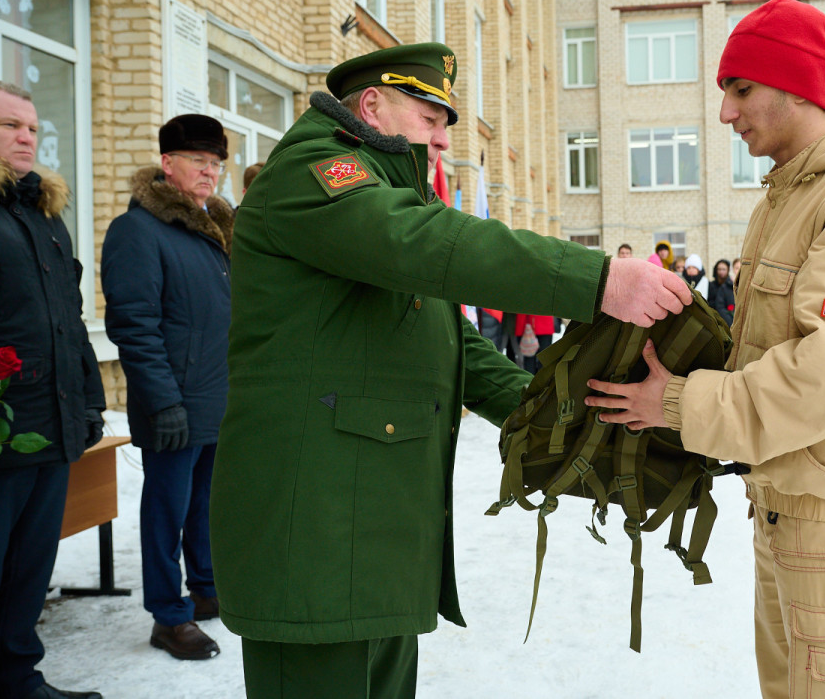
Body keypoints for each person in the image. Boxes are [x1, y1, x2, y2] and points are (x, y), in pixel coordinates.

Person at [208, 42, 692, 698]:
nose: (441, 141)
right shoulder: (317, 171)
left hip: (366, 535)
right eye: (430, 118)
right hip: (316, 534)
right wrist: (598, 278)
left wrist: (556, 411)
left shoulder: (382, 194)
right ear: (373, 105)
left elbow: (447, 341)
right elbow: (431, 244)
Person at [584, 0, 825, 698]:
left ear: (795, 85)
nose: (725, 114)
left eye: (740, 89)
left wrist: (682, 400)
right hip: (789, 500)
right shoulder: (786, 198)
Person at [0, 80, 106, 699]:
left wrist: (90, 398)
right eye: (10, 124)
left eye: (32, 129)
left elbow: (69, 319)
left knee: (28, 570)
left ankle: (19, 678)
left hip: (50, 423)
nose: (25, 137)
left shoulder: (43, 213)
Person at [100, 114, 234, 661]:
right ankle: (168, 614)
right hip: (172, 403)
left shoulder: (211, 230)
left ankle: (204, 588)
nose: (209, 173)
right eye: (199, 162)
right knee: (166, 511)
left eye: (216, 164)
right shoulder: (138, 230)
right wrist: (163, 401)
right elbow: (134, 324)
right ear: (167, 164)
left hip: (216, 397)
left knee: (205, 505)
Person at [707, 259, 735, 325]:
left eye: (724, 269)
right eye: (719, 269)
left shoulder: (731, 286)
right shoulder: (711, 285)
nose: (721, 272)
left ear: (728, 270)